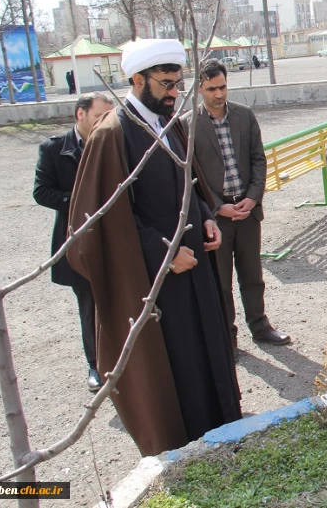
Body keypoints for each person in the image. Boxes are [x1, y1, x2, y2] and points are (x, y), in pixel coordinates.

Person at [68, 39, 241, 456]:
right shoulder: (112, 133)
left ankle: (221, 428)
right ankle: (184, 444)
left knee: (207, 351)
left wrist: (206, 216)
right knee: (176, 363)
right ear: (137, 79)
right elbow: (104, 223)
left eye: (178, 85)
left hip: (194, 263)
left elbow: (190, 181)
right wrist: (164, 256)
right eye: (165, 84)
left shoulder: (171, 122)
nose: (173, 93)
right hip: (158, 279)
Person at [187, 58, 291, 351]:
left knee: (252, 276)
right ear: (199, 89)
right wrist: (218, 206)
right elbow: (190, 175)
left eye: (222, 87)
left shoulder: (244, 116)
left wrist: (253, 197)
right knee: (220, 282)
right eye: (211, 89)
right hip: (215, 218)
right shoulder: (189, 126)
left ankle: (260, 327)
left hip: (247, 212)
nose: (219, 94)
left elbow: (258, 159)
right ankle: (227, 339)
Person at [33, 92, 114, 393]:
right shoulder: (54, 150)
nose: (104, 124)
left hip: (114, 239)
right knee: (89, 303)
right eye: (98, 118)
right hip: (77, 241)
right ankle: (95, 365)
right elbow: (42, 193)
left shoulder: (112, 143)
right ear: (81, 115)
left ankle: (125, 360)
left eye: (109, 118)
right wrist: (79, 202)